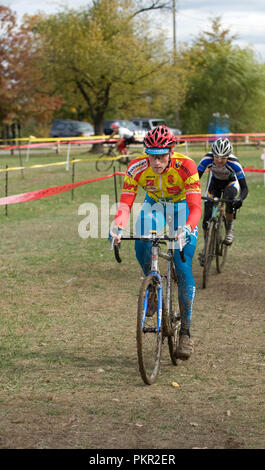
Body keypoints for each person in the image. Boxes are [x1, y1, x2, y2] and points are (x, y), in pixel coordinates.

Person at [110, 125, 202, 360]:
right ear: (146, 153)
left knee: (182, 266)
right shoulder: (136, 167)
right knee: (141, 241)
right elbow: (126, 204)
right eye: (152, 157)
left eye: (161, 157)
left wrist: (187, 229)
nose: (156, 162)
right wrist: (118, 226)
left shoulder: (187, 166)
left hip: (182, 208)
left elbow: (195, 208)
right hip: (155, 206)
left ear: (171, 152)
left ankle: (186, 333)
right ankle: (152, 285)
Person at [197, 137, 248, 265]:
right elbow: (195, 180)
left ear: (228, 156)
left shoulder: (234, 164)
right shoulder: (206, 160)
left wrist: (240, 198)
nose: (219, 161)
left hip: (230, 184)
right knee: (206, 217)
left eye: (223, 158)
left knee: (230, 200)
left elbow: (245, 188)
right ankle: (207, 246)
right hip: (214, 184)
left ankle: (230, 228)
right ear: (212, 155)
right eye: (216, 157)